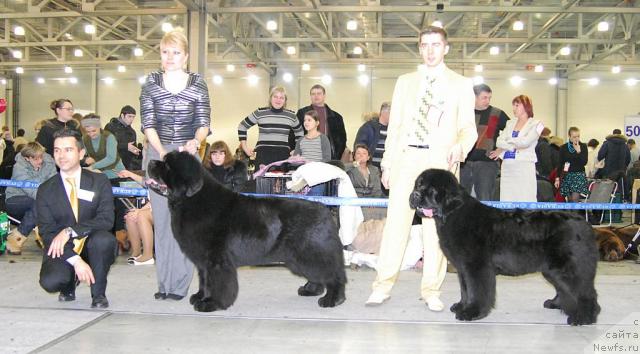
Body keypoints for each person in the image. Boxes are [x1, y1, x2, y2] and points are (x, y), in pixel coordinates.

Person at [365, 26, 477, 311]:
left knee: (435, 229)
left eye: (436, 45)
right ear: (419, 48)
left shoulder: (462, 84)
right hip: (407, 159)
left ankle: (431, 290)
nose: (430, 50)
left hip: (441, 163)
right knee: (395, 226)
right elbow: (396, 126)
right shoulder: (405, 82)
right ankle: (382, 286)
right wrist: (387, 164)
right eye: (425, 45)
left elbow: (468, 129)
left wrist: (460, 147)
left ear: (446, 48)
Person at [140, 29, 210, 301]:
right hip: (158, 154)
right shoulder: (150, 82)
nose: (170, 57)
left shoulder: (198, 83)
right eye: (165, 52)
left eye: (176, 52)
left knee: (184, 222)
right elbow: (148, 123)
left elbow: (203, 122)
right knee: (162, 220)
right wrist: (161, 153)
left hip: (187, 154)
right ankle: (164, 284)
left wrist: (195, 141)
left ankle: (179, 285)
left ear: (186, 57)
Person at [37, 129, 116, 309]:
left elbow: (106, 219)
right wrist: (76, 260)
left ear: (81, 153)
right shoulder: (45, 190)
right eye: (57, 150)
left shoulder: (99, 181)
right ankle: (69, 283)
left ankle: (98, 294)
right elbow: (47, 232)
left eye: (68, 150)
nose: (61, 156)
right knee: (51, 281)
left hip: (92, 242)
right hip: (63, 249)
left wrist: (70, 231)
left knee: (103, 241)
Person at [4, 142, 57, 254]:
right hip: (14, 200)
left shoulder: (49, 163)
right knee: (39, 203)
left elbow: (54, 183)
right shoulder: (19, 168)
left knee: (41, 205)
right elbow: (33, 192)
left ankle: (45, 235)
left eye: (41, 157)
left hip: (39, 201)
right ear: (27, 159)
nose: (40, 161)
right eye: (35, 159)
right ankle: (15, 238)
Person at [460, 84, 509, 201]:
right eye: (484, 97)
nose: (487, 101)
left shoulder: (497, 114)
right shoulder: (463, 113)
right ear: (474, 97)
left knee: (485, 199)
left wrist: (501, 149)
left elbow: (512, 131)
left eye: (489, 98)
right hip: (463, 163)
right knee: (461, 199)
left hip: (487, 164)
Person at [490, 95, 543, 202]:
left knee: (525, 197)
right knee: (507, 198)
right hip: (507, 167)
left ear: (526, 106)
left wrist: (506, 144)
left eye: (517, 105)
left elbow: (526, 142)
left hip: (524, 166)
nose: (514, 108)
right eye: (513, 105)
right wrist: (513, 146)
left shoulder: (537, 124)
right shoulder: (509, 123)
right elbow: (499, 141)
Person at [238, 86, 303, 168]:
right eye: (275, 97)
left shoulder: (291, 115)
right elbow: (242, 126)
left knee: (281, 181)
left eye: (281, 98)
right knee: (261, 181)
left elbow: (300, 132)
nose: (278, 100)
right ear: (270, 98)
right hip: (263, 155)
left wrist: (296, 150)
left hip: (283, 155)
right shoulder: (260, 112)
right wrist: (244, 148)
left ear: (285, 100)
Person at [295, 84, 347, 160]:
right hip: (307, 154)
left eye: (319, 93)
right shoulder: (302, 113)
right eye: (313, 94)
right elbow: (295, 133)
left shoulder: (336, 117)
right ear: (310, 96)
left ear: (324, 95)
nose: (316, 96)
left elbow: (342, 139)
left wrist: (336, 155)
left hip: (329, 156)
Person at [117, 169, 155, 266]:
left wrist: (140, 211)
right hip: (154, 207)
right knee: (131, 216)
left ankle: (148, 256)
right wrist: (129, 174)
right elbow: (146, 182)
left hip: (169, 210)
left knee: (141, 215)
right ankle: (136, 252)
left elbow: (161, 198)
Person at [81, 114, 125, 179]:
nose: (91, 134)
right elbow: (81, 154)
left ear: (99, 126)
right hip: (99, 174)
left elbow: (111, 158)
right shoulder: (84, 138)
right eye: (88, 132)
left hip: (115, 173)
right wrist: (85, 159)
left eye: (94, 131)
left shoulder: (109, 137)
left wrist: (93, 167)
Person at [555, 127, 589, 203]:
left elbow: (584, 162)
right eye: (574, 137)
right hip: (567, 175)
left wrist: (579, 152)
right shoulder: (563, 147)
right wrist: (557, 178)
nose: (576, 139)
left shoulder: (583, 146)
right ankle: (570, 214)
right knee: (569, 200)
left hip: (578, 175)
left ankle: (575, 214)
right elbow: (560, 163)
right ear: (569, 136)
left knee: (574, 199)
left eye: (578, 136)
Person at [354, 102, 391, 169]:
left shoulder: (393, 129)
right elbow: (359, 146)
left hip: (387, 168)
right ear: (384, 113)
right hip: (371, 168)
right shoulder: (368, 127)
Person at [105, 105, 142, 170]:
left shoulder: (132, 131)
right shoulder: (110, 127)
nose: (132, 119)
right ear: (122, 115)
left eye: (133, 117)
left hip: (128, 167)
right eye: (129, 116)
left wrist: (137, 151)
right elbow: (105, 145)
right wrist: (125, 146)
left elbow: (133, 148)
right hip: (113, 165)